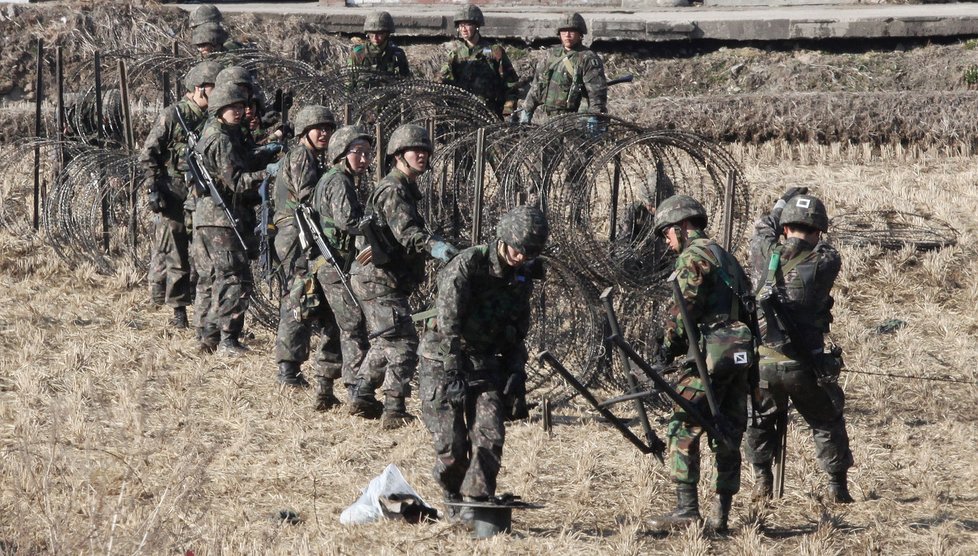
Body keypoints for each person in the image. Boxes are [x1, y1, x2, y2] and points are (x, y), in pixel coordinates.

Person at [418, 205, 547, 523]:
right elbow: (448, 323)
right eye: (519, 250)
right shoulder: (468, 265)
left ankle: (476, 505)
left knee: (490, 436)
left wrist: (517, 370)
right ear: (504, 240)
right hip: (443, 358)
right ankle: (452, 496)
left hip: (485, 360)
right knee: (452, 447)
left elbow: (517, 330)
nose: (521, 258)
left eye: (528, 254)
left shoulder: (522, 275)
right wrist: (452, 371)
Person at [647, 194, 755, 534]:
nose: (667, 244)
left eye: (667, 234)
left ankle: (687, 510)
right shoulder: (726, 257)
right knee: (727, 432)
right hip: (738, 356)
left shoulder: (693, 258)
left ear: (681, 227)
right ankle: (721, 514)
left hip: (709, 357)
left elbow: (683, 310)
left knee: (683, 425)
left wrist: (667, 347)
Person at [745, 189, 854, 504]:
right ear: (819, 230)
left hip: (764, 362)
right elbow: (822, 247)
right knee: (826, 419)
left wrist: (780, 205)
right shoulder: (826, 261)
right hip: (805, 365)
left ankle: (762, 481)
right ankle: (837, 487)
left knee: (759, 419)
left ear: (784, 227)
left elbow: (762, 229)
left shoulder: (762, 251)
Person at [348, 123, 459, 429]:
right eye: (415, 150)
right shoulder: (394, 189)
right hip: (378, 278)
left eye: (425, 150)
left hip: (382, 277)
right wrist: (433, 245)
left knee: (387, 341)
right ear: (399, 155)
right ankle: (393, 410)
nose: (422, 155)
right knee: (404, 343)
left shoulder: (404, 188)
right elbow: (407, 233)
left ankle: (361, 394)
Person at [192, 82, 276, 354]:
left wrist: (262, 153)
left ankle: (209, 335)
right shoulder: (221, 139)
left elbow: (238, 163)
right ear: (219, 109)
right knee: (234, 277)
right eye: (232, 107)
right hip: (222, 218)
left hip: (211, 216)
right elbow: (237, 182)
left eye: (240, 107)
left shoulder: (221, 133)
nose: (238, 112)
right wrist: (269, 173)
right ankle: (227, 338)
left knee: (216, 277)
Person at [140, 60, 223, 329]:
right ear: (200, 89)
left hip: (200, 194)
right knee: (175, 255)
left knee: (201, 255)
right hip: (173, 194)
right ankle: (178, 311)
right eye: (215, 88)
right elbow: (149, 153)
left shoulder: (213, 118)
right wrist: (153, 188)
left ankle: (201, 308)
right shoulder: (173, 115)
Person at [303, 126, 375, 410]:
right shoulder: (339, 181)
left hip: (332, 261)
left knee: (335, 326)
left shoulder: (335, 179)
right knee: (353, 324)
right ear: (342, 154)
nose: (364, 159)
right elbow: (349, 221)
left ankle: (324, 388)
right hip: (332, 262)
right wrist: (375, 223)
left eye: (367, 153)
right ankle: (356, 389)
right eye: (358, 152)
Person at [271, 105, 335, 386]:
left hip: (300, 233)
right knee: (297, 299)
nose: (324, 133)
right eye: (318, 128)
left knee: (303, 298)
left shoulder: (309, 157)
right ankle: (288, 369)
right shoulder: (302, 157)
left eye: (327, 128)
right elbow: (308, 197)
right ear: (304, 132)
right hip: (297, 235)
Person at [521, 12, 608, 127]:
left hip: (576, 120)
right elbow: (537, 87)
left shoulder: (587, 58)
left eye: (572, 31)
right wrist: (527, 111)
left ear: (580, 34)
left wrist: (594, 118)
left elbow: (596, 93)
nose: (567, 35)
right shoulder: (551, 55)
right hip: (550, 119)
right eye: (564, 31)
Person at [439, 4, 519, 119]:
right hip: (463, 114)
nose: (463, 29)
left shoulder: (494, 51)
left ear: (477, 26)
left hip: (490, 114)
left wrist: (508, 108)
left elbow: (511, 84)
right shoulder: (455, 54)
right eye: (461, 25)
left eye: (468, 24)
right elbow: (443, 81)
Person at [349, 11, 411, 78]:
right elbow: (349, 81)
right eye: (372, 34)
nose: (375, 38)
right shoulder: (357, 53)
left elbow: (405, 80)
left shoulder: (397, 54)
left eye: (379, 34)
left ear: (387, 34)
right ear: (367, 34)